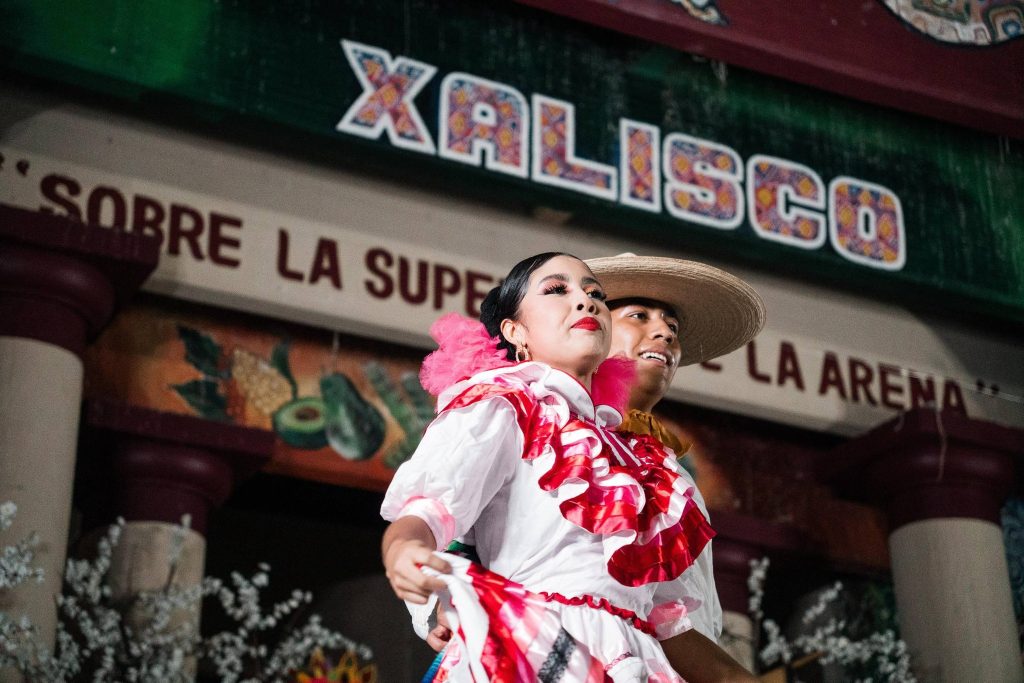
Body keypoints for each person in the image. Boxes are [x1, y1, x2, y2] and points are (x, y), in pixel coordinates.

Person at [381, 253, 764, 682]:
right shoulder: (506, 406)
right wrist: (406, 552)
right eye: (557, 290)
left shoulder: (651, 467)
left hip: (630, 663)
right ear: (514, 330)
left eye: (595, 294)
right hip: (531, 646)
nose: (585, 301)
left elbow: (669, 622)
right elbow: (430, 509)